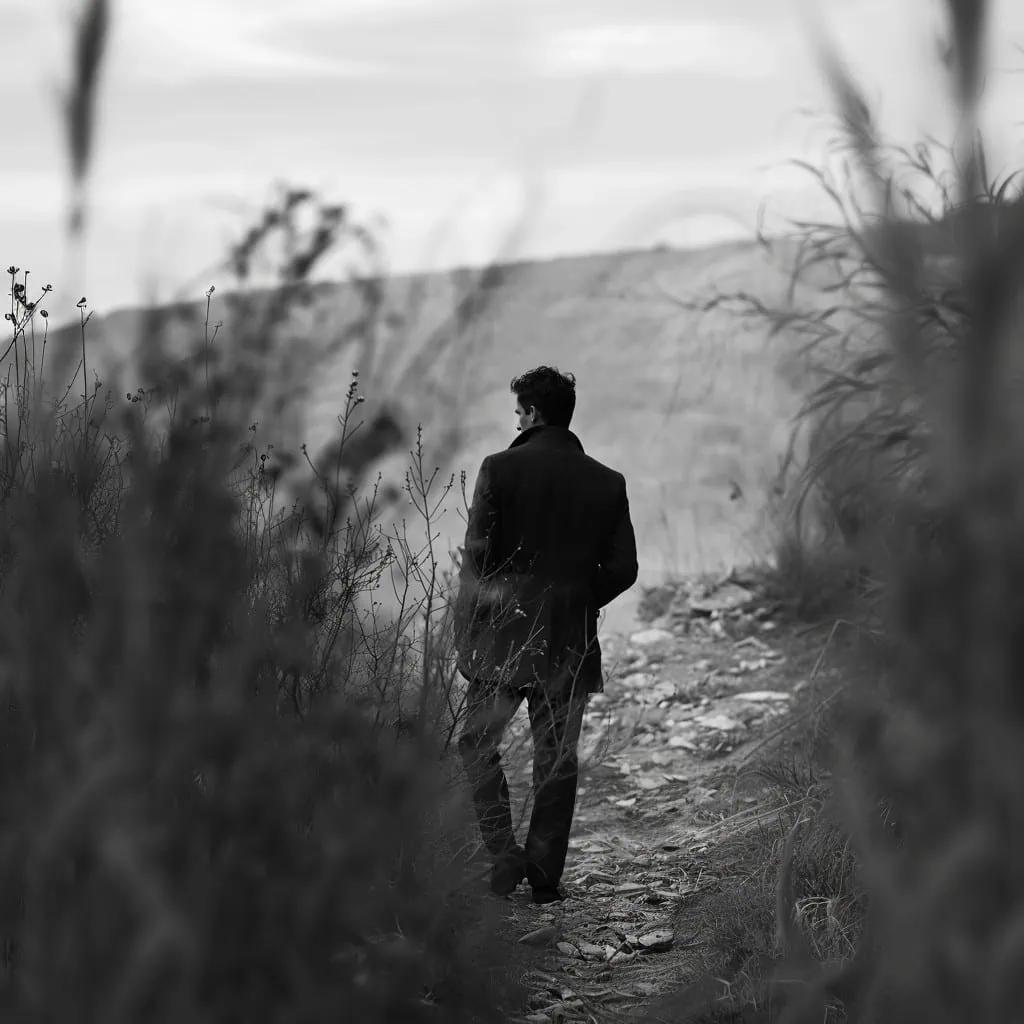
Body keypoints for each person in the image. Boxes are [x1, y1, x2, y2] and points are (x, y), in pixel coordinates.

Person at [455, 366, 638, 904]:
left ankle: (503, 855)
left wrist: (466, 637)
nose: (516, 421)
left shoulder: (498, 469)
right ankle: (543, 876)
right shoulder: (607, 481)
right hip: (568, 642)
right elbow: (623, 569)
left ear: (533, 413)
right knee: (556, 759)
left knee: (475, 744)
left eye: (519, 411)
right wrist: (578, 600)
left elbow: (476, 563)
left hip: (502, 640)